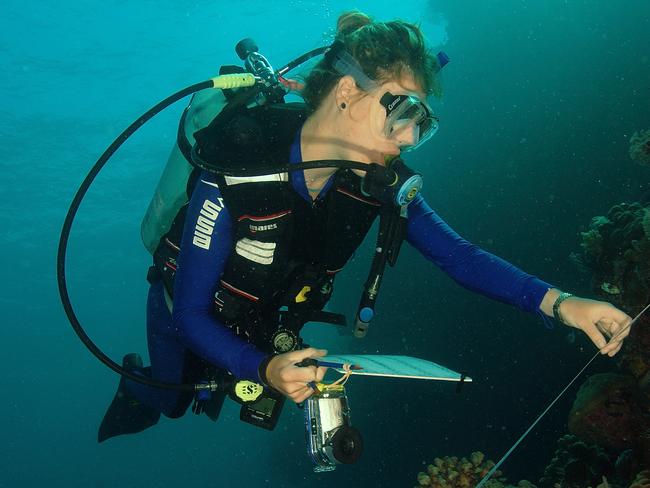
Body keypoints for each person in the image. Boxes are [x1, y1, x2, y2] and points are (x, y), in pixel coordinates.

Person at [98, 10, 633, 442]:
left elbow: (459, 256)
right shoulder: (239, 169)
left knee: (210, 396)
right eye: (400, 112)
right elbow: (190, 310)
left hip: (262, 318)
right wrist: (262, 371)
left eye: (420, 125)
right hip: (183, 308)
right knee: (172, 401)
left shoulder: (377, 184)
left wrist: (560, 303)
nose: (405, 138)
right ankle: (136, 382)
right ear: (347, 94)